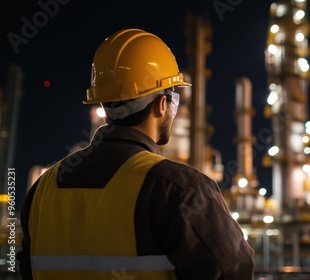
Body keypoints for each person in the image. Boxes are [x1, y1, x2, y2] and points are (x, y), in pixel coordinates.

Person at [17, 28, 255, 280]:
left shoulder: (42, 190)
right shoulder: (178, 188)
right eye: (174, 100)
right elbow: (233, 272)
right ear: (162, 104)